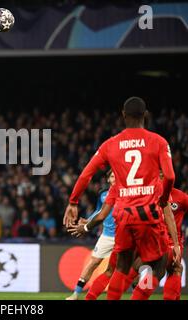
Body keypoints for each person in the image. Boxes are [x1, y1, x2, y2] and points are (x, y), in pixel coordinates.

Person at [63, 97, 180, 300]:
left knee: (120, 268)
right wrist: (162, 198)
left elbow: (86, 174)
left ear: (123, 115)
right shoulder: (159, 142)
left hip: (123, 215)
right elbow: (169, 176)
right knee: (159, 267)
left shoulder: (110, 144)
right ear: (145, 115)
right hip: (148, 213)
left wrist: (73, 201)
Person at [66, 170, 115, 300]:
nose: (114, 178)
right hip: (107, 235)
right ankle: (76, 294)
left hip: (123, 235)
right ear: (108, 179)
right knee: (93, 263)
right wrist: (88, 220)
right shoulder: (103, 194)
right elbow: (99, 211)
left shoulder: (125, 192)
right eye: (111, 176)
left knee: (126, 269)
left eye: (116, 175)